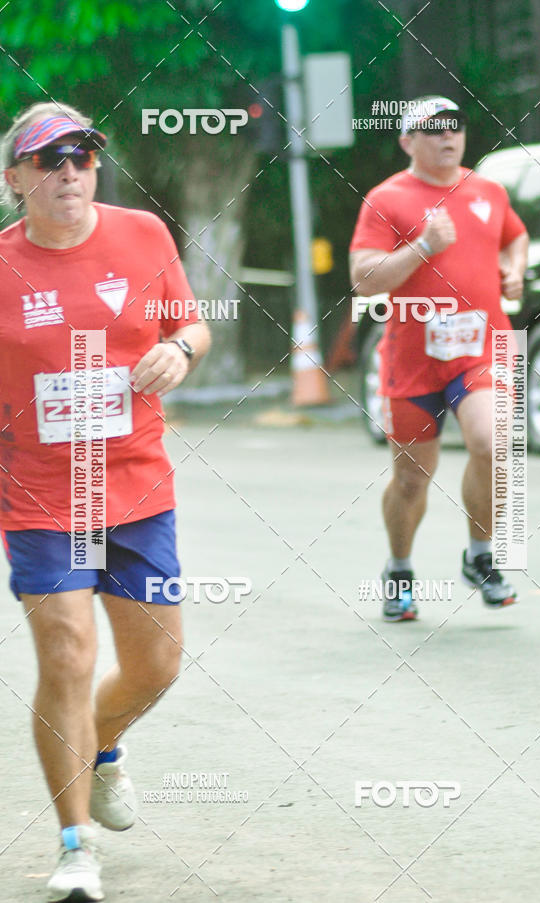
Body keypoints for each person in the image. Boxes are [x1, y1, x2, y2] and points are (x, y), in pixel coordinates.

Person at [0, 102, 211, 901]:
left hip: (134, 482)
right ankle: (74, 841)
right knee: (66, 654)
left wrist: (178, 350)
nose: (68, 172)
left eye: (82, 156)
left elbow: (190, 323)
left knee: (156, 665)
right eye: (48, 160)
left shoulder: (144, 236)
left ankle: (106, 741)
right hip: (41, 494)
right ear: (14, 179)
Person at [349, 96, 528, 622]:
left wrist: (513, 269)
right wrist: (423, 246)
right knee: (411, 479)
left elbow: (516, 238)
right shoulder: (387, 200)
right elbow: (363, 278)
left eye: (456, 128)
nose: (448, 138)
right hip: (413, 359)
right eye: (433, 131)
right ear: (407, 142)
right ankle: (399, 568)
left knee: (493, 443)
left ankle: (480, 556)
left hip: (482, 348)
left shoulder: (488, 191)